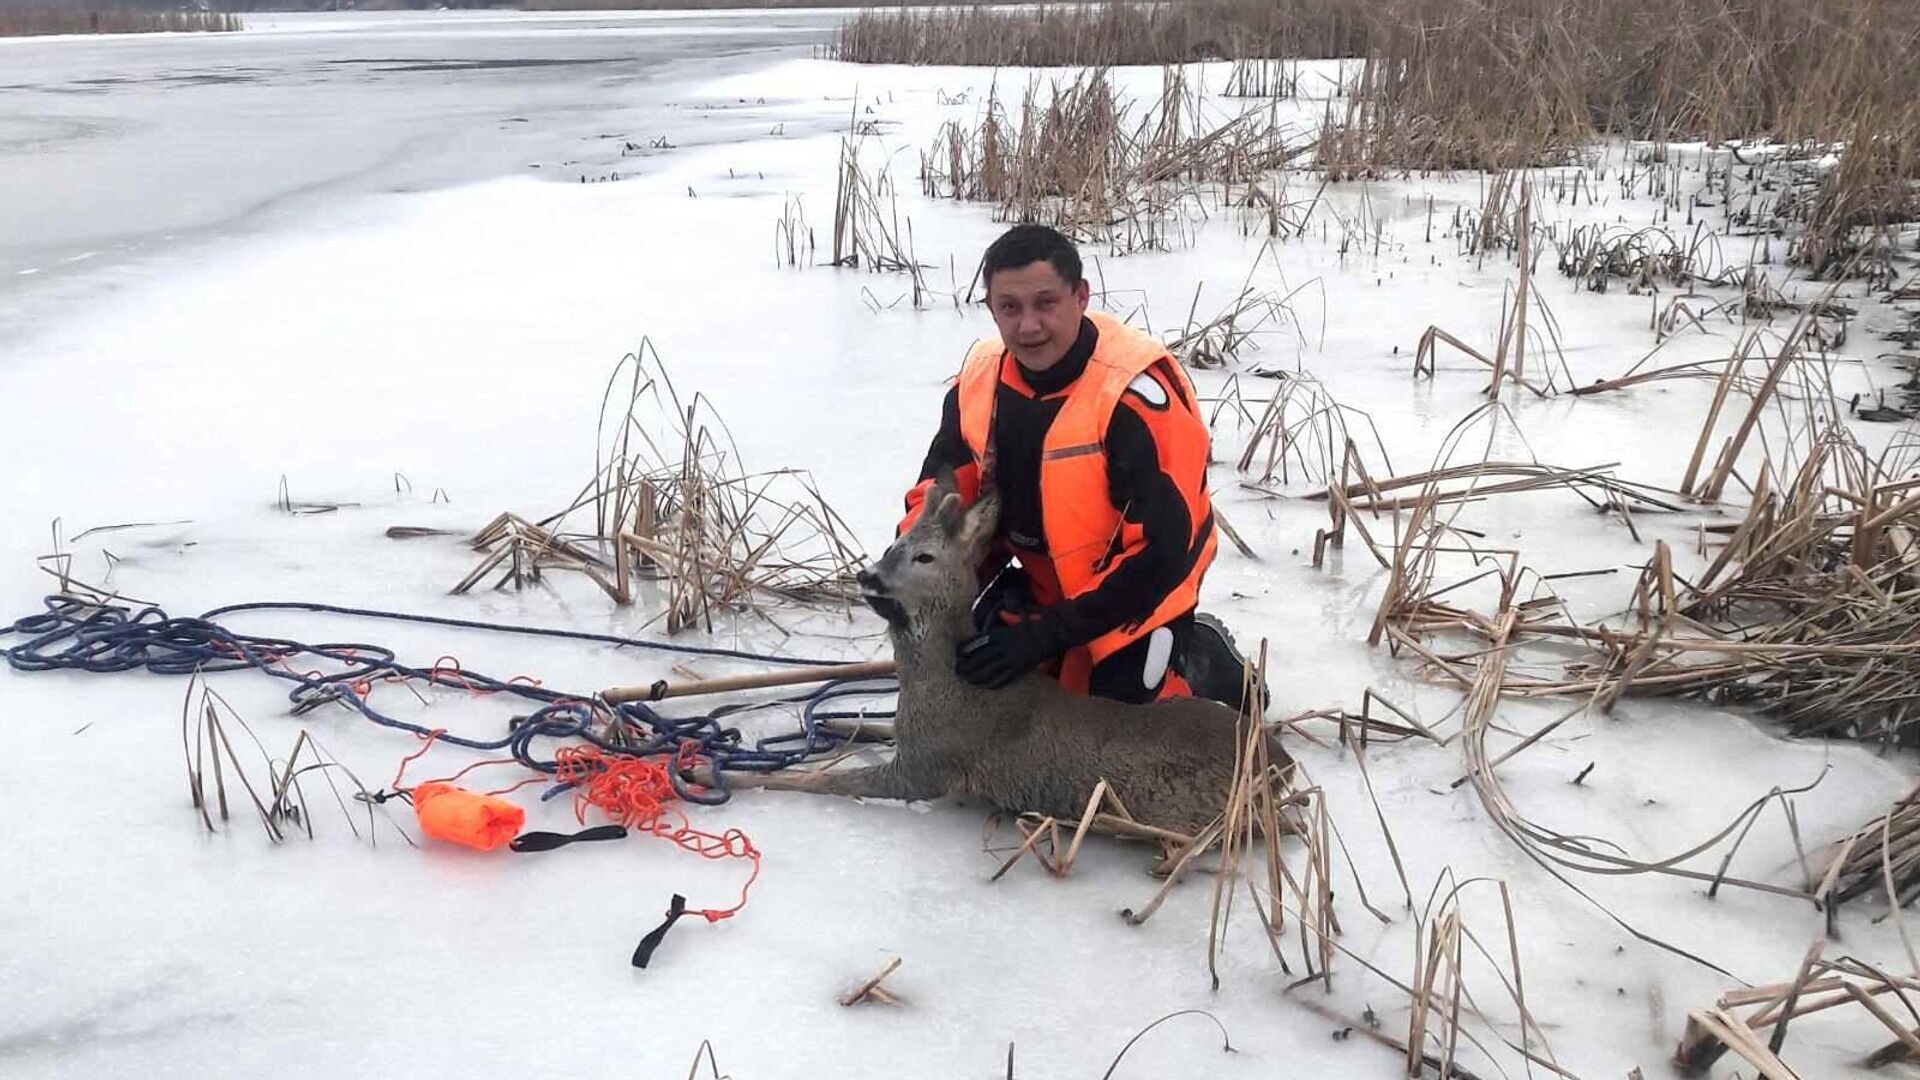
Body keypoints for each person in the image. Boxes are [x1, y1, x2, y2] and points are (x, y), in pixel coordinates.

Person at [899, 224, 1259, 709]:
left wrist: (1047, 636)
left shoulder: (1134, 399)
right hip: (1044, 580)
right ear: (991, 308)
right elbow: (940, 498)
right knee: (970, 695)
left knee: (1114, 723)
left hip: (1141, 589)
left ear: (1080, 297)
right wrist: (918, 576)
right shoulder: (980, 380)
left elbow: (1162, 554)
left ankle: (1199, 661)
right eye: (1010, 307)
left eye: (1045, 303)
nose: (1028, 326)